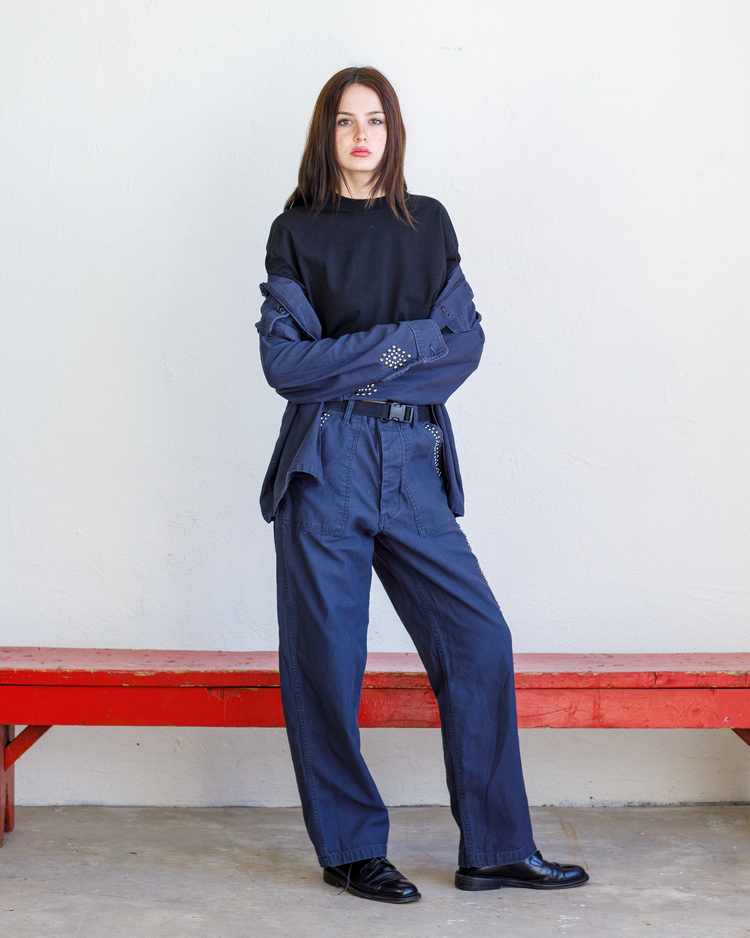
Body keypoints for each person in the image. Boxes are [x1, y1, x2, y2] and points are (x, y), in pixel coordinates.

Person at [256, 66, 588, 904]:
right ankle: (351, 849)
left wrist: (367, 358)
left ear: (394, 132)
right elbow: (284, 364)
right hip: (324, 462)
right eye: (344, 121)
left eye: (375, 120)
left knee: (479, 639)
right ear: (324, 134)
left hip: (412, 463)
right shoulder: (296, 232)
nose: (361, 135)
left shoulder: (428, 224)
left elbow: (465, 344)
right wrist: (408, 343)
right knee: (327, 664)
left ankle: (497, 848)